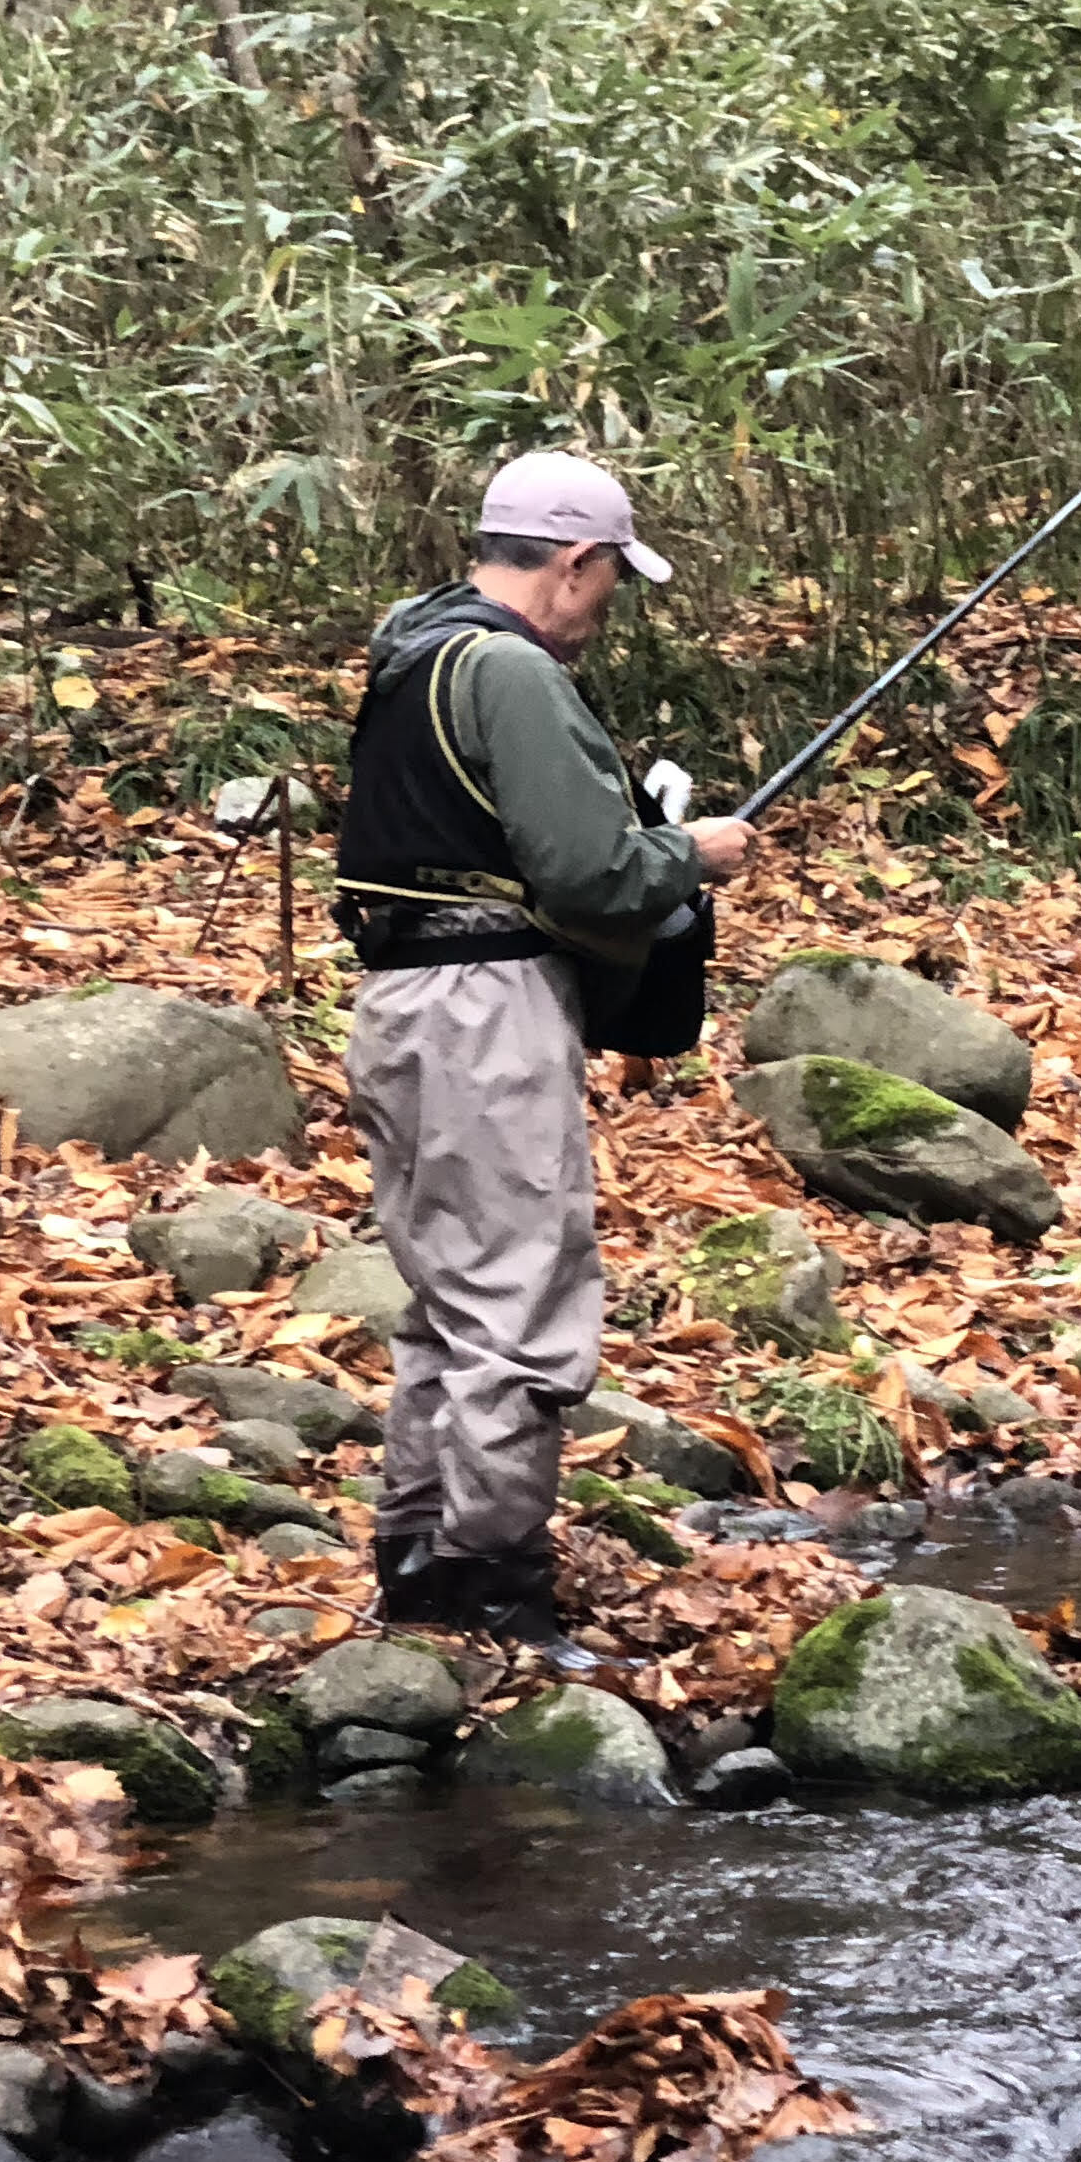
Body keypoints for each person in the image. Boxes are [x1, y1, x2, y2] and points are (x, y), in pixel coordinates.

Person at [333, 453, 753, 1646]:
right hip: (487, 1013)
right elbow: (590, 872)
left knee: (448, 1301)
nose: (610, 602)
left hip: (403, 1008)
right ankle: (494, 1591)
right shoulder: (511, 672)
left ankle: (419, 1562)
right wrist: (694, 854)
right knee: (520, 1299)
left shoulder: (414, 648)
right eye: (612, 575)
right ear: (574, 561)